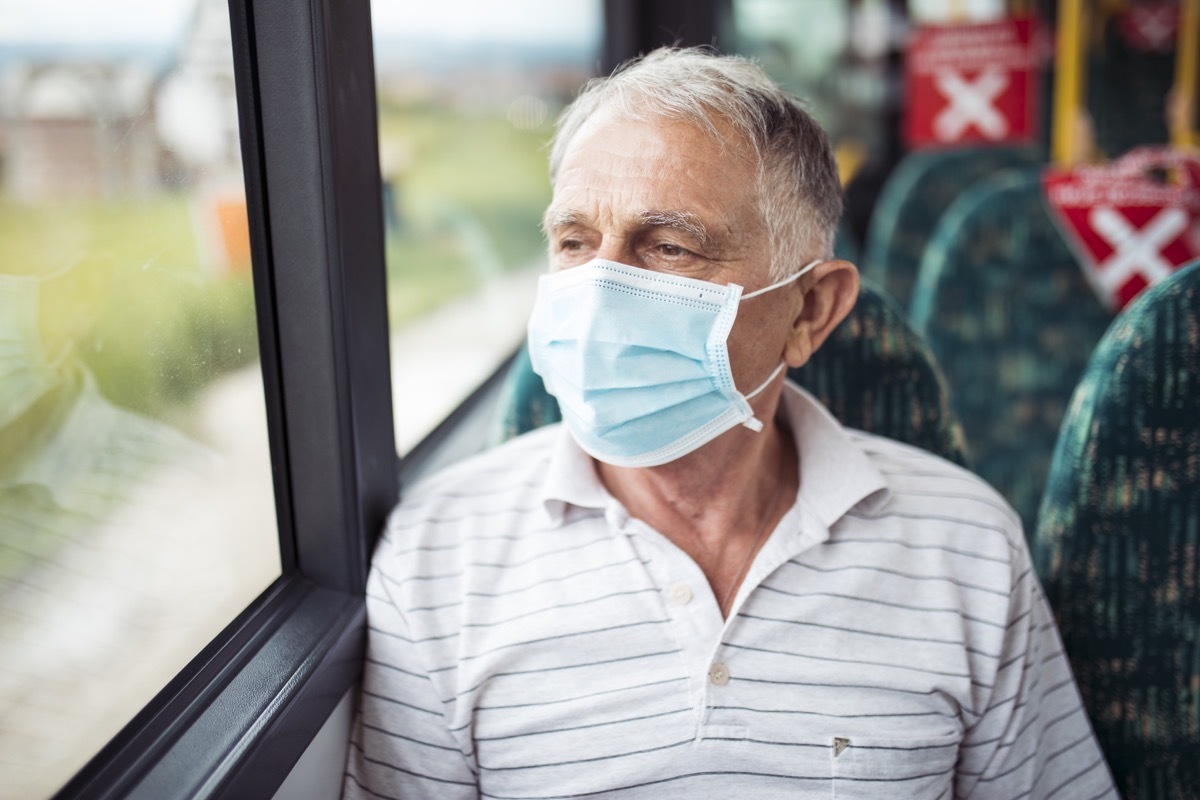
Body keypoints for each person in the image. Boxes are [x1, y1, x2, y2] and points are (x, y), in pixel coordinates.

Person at [344, 47, 1116, 799]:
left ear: (809, 310)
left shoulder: (968, 545)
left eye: (672, 246)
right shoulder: (438, 552)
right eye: (574, 242)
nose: (599, 291)